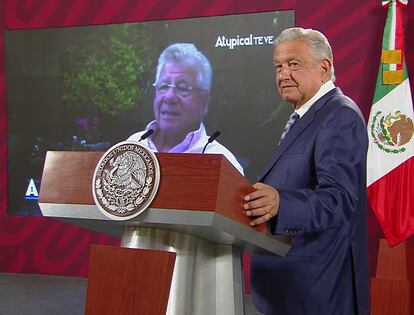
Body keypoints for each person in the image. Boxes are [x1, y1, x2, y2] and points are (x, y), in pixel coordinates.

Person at [243, 28, 369, 315]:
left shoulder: (340, 115)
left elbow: (338, 200)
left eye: (294, 64)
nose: (283, 74)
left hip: (316, 292)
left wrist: (281, 203)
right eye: (278, 66)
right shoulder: (305, 116)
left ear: (324, 67)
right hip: (285, 291)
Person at [128, 43, 243, 174]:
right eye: (164, 86)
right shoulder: (133, 145)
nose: (169, 97)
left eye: (183, 88)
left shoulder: (222, 162)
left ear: (203, 101)